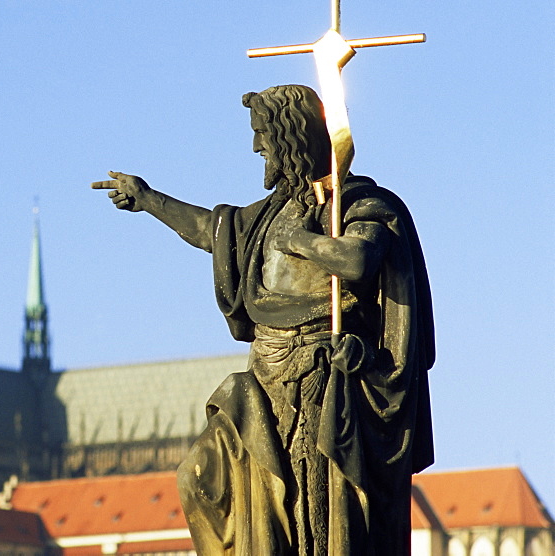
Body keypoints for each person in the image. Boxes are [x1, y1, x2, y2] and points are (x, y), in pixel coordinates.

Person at [92, 85, 434, 556]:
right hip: (265, 379)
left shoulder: (358, 203)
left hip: (323, 379)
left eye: (262, 135)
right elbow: (211, 231)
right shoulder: (268, 216)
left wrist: (304, 241)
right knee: (199, 476)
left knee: (313, 511)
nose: (257, 147)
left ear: (291, 136)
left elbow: (358, 261)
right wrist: (149, 199)